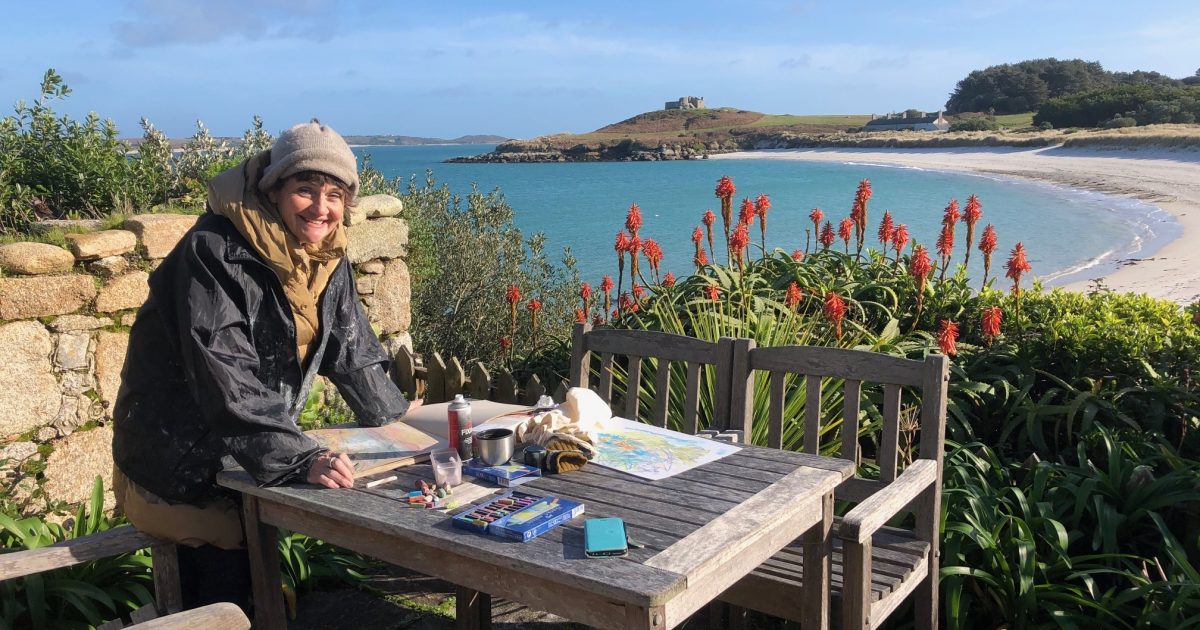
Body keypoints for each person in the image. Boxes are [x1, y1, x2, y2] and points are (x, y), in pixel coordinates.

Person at [111, 119, 411, 611]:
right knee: (223, 589)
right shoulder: (213, 251)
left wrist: (398, 423)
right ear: (274, 189)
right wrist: (299, 457)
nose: (321, 207)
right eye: (306, 189)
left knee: (255, 584)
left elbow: (351, 350)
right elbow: (223, 372)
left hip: (244, 452)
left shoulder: (324, 255)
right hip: (180, 462)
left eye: (335, 194)